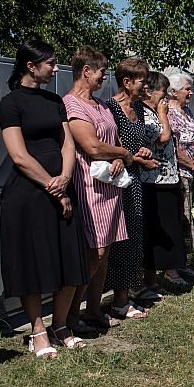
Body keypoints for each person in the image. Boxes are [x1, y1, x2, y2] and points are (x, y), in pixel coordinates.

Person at [0, 40, 88, 357]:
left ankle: (61, 325)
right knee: (33, 263)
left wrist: (64, 179)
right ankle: (38, 330)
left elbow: (67, 145)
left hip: (62, 186)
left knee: (70, 258)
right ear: (31, 66)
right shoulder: (11, 103)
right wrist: (53, 185)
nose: (55, 68)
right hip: (28, 194)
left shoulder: (54, 101)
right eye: (49, 63)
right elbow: (19, 156)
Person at [63, 46, 137, 333]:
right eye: (102, 71)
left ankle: (93, 309)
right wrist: (122, 153)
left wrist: (119, 156)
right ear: (86, 71)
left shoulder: (101, 105)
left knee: (105, 252)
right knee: (94, 251)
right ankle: (71, 315)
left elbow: (111, 140)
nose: (105, 77)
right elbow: (92, 146)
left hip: (110, 185)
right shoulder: (72, 105)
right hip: (89, 186)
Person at [105, 57, 157, 320]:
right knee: (120, 240)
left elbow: (138, 143)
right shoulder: (110, 108)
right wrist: (133, 157)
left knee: (134, 237)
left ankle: (125, 295)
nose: (145, 87)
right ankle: (118, 300)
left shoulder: (137, 108)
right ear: (126, 82)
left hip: (134, 181)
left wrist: (143, 152)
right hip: (117, 183)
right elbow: (110, 145)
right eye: (141, 81)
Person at [140, 71, 190, 291]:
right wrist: (162, 114)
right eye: (162, 92)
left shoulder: (157, 110)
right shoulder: (144, 113)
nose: (165, 98)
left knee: (168, 228)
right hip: (153, 180)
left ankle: (167, 272)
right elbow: (163, 137)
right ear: (149, 91)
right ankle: (151, 280)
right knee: (154, 231)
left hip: (169, 177)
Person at [167, 71, 194, 262]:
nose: (190, 93)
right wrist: (193, 165)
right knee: (184, 215)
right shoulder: (169, 113)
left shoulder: (188, 112)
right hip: (182, 173)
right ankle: (184, 258)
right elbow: (175, 147)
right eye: (187, 89)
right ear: (173, 92)